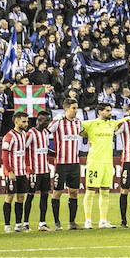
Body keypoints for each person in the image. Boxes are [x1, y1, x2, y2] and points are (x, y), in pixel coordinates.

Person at [81, 104, 121, 229]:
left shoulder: (112, 124)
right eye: (107, 111)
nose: (110, 113)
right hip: (94, 162)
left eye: (110, 110)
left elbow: (126, 119)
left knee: (105, 192)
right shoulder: (90, 124)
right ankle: (88, 220)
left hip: (108, 163)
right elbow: (75, 125)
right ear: (100, 112)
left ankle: (103, 221)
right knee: (90, 191)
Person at [48, 99, 84, 230]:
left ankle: (72, 222)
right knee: (57, 192)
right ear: (66, 109)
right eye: (73, 108)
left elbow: (83, 132)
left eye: (76, 108)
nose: (76, 110)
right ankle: (57, 223)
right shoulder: (58, 122)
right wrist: (50, 151)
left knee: (74, 192)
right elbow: (46, 133)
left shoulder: (78, 123)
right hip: (61, 164)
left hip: (74, 163)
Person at [0, 111, 31, 233]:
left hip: (22, 172)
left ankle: (18, 224)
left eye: (27, 121)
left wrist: (27, 167)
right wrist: (9, 171)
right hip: (13, 172)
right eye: (24, 121)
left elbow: (25, 153)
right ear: (16, 121)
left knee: (21, 197)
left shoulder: (24, 135)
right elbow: (4, 156)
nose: (26, 124)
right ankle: (7, 225)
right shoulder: (9, 136)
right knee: (9, 197)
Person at [23, 111, 54, 231]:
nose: (48, 123)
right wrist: (26, 167)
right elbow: (23, 150)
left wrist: (54, 154)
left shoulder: (46, 132)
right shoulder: (30, 133)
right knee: (30, 196)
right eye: (46, 120)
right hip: (34, 171)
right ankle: (25, 223)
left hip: (45, 170)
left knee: (45, 196)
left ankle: (42, 223)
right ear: (39, 120)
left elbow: (45, 149)